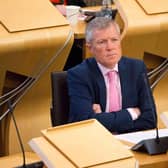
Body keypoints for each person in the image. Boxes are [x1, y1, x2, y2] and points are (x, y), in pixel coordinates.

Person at [67, 17, 157, 134]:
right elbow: (83, 123)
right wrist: (131, 113)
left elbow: (150, 119)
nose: (110, 47)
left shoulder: (136, 68)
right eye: (102, 42)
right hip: (97, 142)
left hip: (130, 139)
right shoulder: (79, 75)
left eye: (114, 40)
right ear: (90, 48)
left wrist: (101, 118)